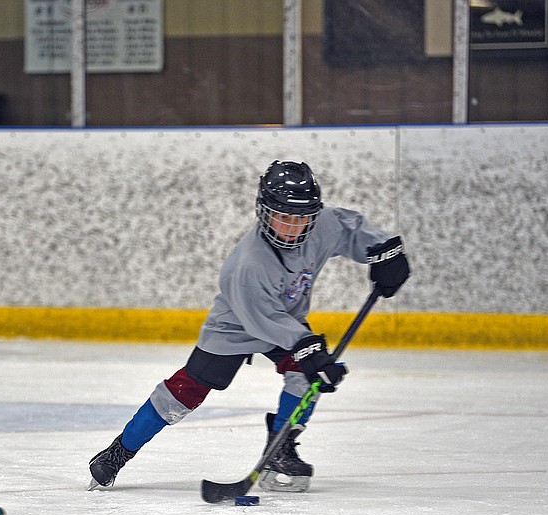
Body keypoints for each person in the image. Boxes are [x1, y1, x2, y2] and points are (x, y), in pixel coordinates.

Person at [88, 160, 410, 492]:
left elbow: (351, 228)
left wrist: (385, 251)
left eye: (301, 218)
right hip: (235, 326)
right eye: (283, 217)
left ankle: (281, 449)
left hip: (287, 321)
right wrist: (310, 351)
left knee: (305, 376)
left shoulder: (321, 226)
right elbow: (265, 321)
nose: (292, 227)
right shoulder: (247, 264)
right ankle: (118, 452)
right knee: (185, 392)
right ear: (264, 211)